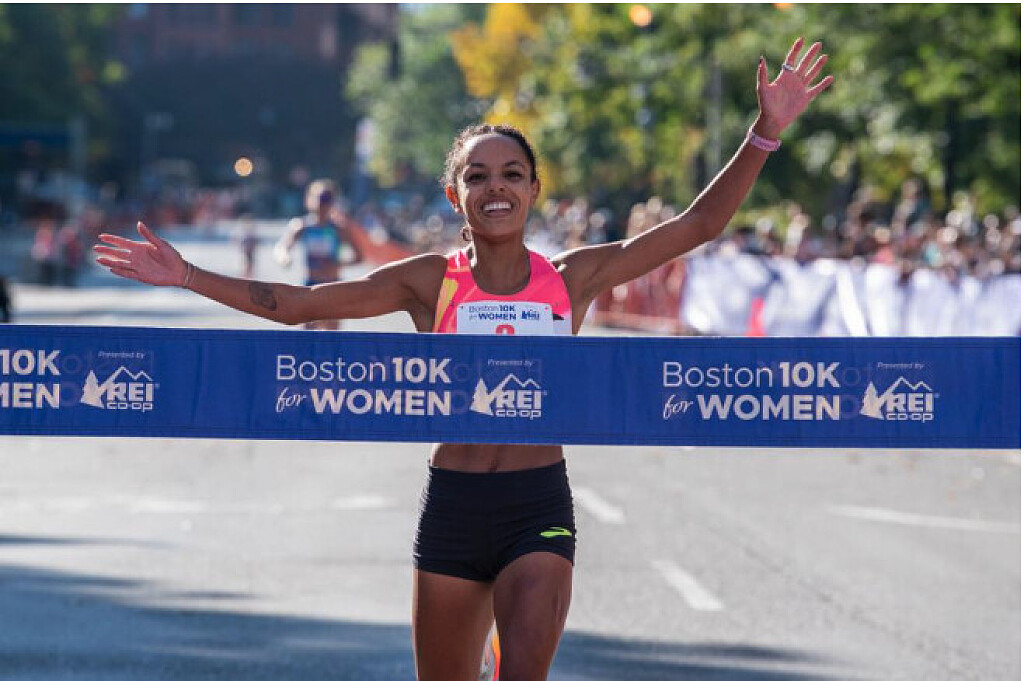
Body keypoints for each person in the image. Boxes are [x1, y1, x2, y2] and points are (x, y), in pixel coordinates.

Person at [95, 38, 831, 681]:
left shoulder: (573, 278)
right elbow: (298, 303)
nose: (496, 186)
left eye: (511, 173)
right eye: (477, 176)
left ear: (534, 190)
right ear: (456, 196)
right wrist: (187, 275)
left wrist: (764, 132)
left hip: (537, 505)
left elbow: (698, 224)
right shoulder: (429, 282)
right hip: (453, 507)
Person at [273, 179, 365, 330]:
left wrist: (338, 264)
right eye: (321, 198)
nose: (323, 204)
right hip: (310, 285)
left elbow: (359, 257)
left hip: (333, 286)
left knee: (332, 336)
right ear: (309, 199)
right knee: (308, 334)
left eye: (328, 199)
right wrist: (284, 257)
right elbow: (282, 247)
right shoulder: (301, 226)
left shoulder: (339, 228)